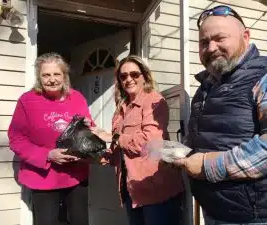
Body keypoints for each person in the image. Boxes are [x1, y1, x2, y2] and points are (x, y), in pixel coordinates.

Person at [172, 5, 267, 225]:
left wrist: (207, 165)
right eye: (204, 42)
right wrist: (182, 153)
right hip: (214, 210)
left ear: (246, 36)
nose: (211, 47)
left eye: (219, 38)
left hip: (254, 217)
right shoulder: (206, 86)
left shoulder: (262, 77)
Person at [93, 55, 184, 225]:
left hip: (156, 190)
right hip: (131, 190)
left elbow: (150, 142)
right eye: (123, 76)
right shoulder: (120, 109)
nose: (129, 79)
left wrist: (113, 137)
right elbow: (121, 151)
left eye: (134, 74)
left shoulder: (154, 101)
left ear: (145, 77)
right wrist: (97, 152)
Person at [8, 52, 93, 225]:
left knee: (80, 221)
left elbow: (88, 128)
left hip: (75, 174)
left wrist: (87, 126)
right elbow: (16, 139)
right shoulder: (27, 101)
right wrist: (47, 155)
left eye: (57, 74)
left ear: (64, 75)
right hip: (43, 177)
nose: (52, 79)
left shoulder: (77, 98)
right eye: (46, 75)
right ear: (39, 77)